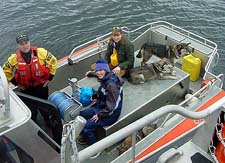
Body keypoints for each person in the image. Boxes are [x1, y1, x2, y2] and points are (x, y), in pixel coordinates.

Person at [2, 34, 61, 145]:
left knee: (44, 106)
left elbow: (53, 62)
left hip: (41, 86)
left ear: (30, 42)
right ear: (18, 45)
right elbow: (6, 69)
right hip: (26, 88)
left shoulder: (41, 52)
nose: (25, 46)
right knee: (31, 108)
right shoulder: (14, 58)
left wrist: (50, 78)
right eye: (22, 44)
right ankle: (33, 124)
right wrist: (16, 84)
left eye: (26, 43)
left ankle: (47, 120)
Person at [79, 59, 124, 145]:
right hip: (101, 106)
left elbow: (112, 107)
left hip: (110, 114)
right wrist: (96, 96)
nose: (98, 73)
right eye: (97, 71)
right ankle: (87, 134)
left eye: (101, 70)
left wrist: (100, 115)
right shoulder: (105, 79)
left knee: (86, 126)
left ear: (106, 70)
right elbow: (103, 91)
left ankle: (94, 147)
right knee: (81, 115)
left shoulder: (112, 85)